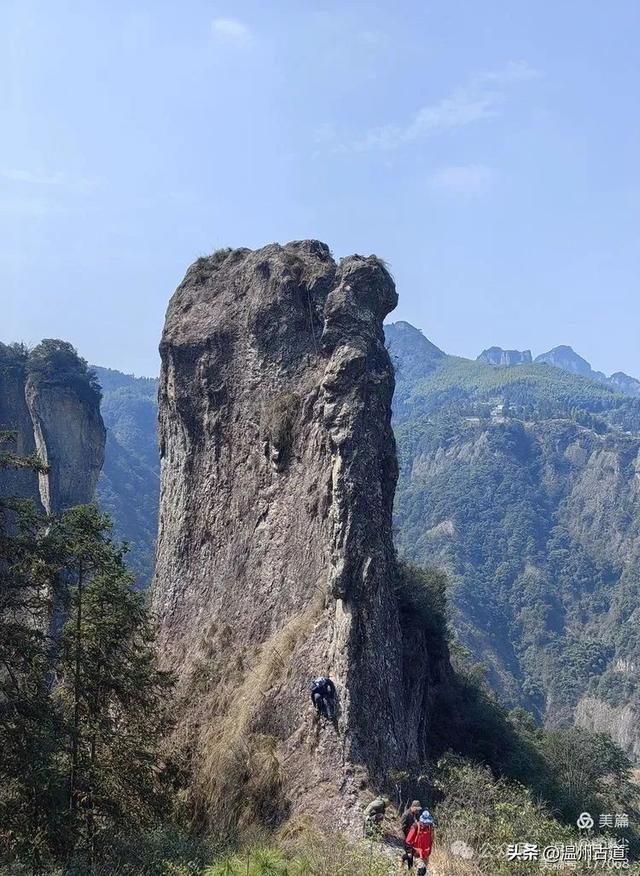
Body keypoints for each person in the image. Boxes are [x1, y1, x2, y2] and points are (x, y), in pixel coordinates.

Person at [400, 800, 422, 868]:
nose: (418, 811)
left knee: (411, 853)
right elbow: (403, 828)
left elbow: (419, 823)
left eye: (418, 810)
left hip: (413, 838)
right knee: (410, 854)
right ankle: (410, 869)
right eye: (417, 809)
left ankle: (403, 859)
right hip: (406, 837)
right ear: (413, 807)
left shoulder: (417, 814)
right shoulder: (406, 815)